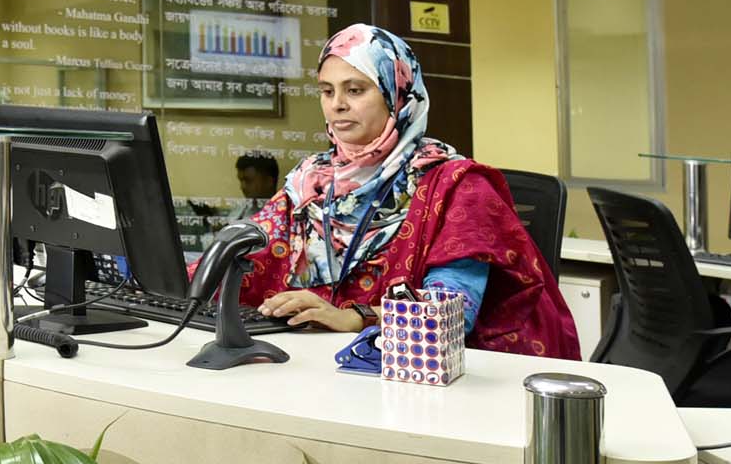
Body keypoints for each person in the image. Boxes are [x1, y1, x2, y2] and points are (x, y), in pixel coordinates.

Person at [234, 24, 580, 360]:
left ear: (396, 94)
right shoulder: (311, 183)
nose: (337, 104)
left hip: (429, 384)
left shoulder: (459, 186)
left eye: (355, 90)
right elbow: (241, 258)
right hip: (323, 370)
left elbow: (450, 317)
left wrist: (356, 317)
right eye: (327, 91)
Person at [230, 152, 280, 220]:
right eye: (241, 180)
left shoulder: (279, 216)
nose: (242, 187)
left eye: (248, 180)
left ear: (269, 181)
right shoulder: (239, 210)